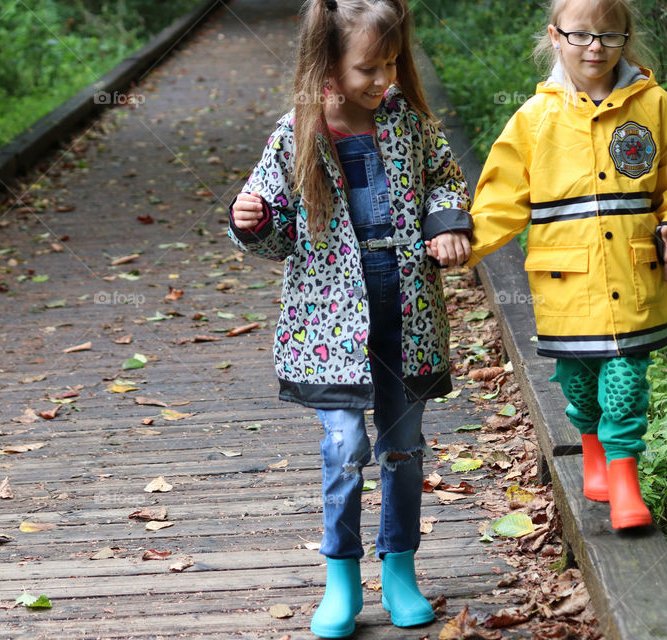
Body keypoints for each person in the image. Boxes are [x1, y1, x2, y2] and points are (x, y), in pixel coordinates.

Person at [229, 0, 472, 635]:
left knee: (403, 449)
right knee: (344, 447)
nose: (384, 79)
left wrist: (446, 224)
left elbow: (447, 180)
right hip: (330, 326)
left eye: (392, 63)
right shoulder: (295, 135)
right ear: (327, 65)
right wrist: (250, 220)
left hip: (405, 314)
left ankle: (400, 569)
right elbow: (277, 229)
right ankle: (341, 576)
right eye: (369, 67)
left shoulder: (409, 124)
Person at [465, 0, 667, 530]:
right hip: (564, 283)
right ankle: (592, 451)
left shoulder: (654, 106)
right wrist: (460, 245)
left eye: (608, 35)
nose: (594, 47)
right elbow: (501, 198)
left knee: (624, 380)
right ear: (556, 37)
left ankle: (624, 480)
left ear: (626, 38)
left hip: (633, 276)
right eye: (581, 35)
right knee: (577, 381)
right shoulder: (534, 118)